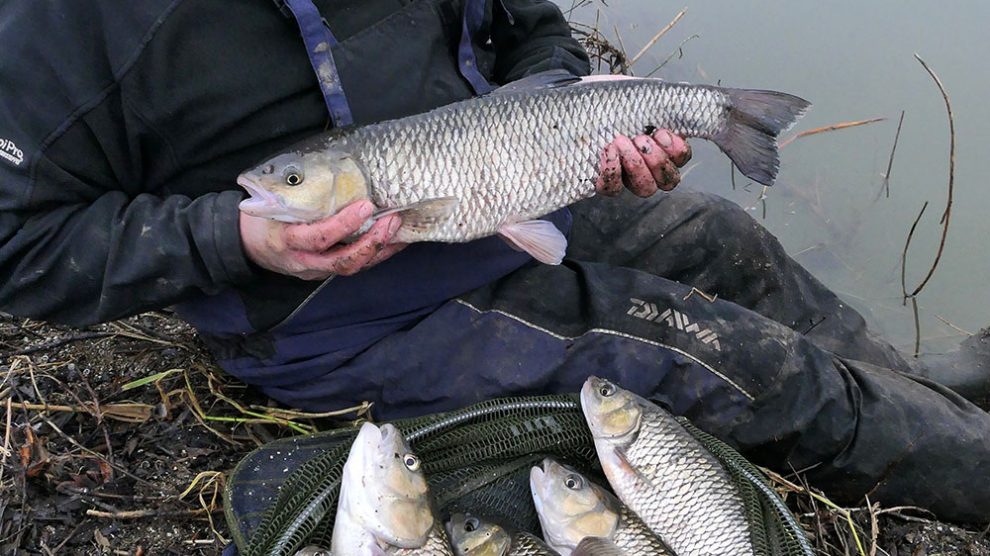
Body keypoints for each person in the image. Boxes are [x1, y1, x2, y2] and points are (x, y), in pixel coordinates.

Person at [1, 0, 987, 525]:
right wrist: (234, 236)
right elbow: (17, 241)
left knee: (726, 239)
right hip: (339, 318)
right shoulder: (70, 23)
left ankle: (918, 394)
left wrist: (575, 123)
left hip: (500, 197)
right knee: (730, 358)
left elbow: (539, 35)